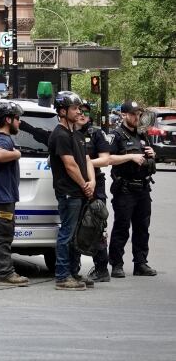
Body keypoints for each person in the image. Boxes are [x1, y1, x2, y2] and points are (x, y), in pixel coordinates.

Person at [48, 91, 95, 291]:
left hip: (80, 192)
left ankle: (73, 272)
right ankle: (62, 276)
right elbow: (70, 165)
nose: (79, 111)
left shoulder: (76, 134)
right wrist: (85, 185)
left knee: (77, 235)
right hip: (69, 193)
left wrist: (92, 181)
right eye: (74, 108)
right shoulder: (59, 135)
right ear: (62, 111)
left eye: (79, 108)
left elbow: (85, 160)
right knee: (66, 234)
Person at [106, 100, 158, 278]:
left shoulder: (142, 135)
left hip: (143, 188)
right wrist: (130, 157)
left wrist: (152, 155)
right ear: (124, 115)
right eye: (134, 114)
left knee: (142, 228)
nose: (137, 117)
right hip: (125, 189)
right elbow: (109, 158)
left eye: (139, 114)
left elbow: (149, 160)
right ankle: (117, 264)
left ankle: (141, 263)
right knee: (121, 227)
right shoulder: (117, 135)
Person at [0, 102, 29, 287]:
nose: (19, 122)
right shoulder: (3, 139)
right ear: (8, 120)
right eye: (17, 118)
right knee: (3, 236)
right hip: (2, 198)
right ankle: (5, 274)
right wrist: (17, 154)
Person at [76, 102, 113, 283]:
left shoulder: (96, 134)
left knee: (97, 226)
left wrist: (85, 162)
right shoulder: (69, 133)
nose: (82, 115)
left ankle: (101, 269)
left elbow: (105, 160)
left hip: (95, 185)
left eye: (86, 112)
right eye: (79, 111)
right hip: (75, 185)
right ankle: (73, 269)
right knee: (76, 227)